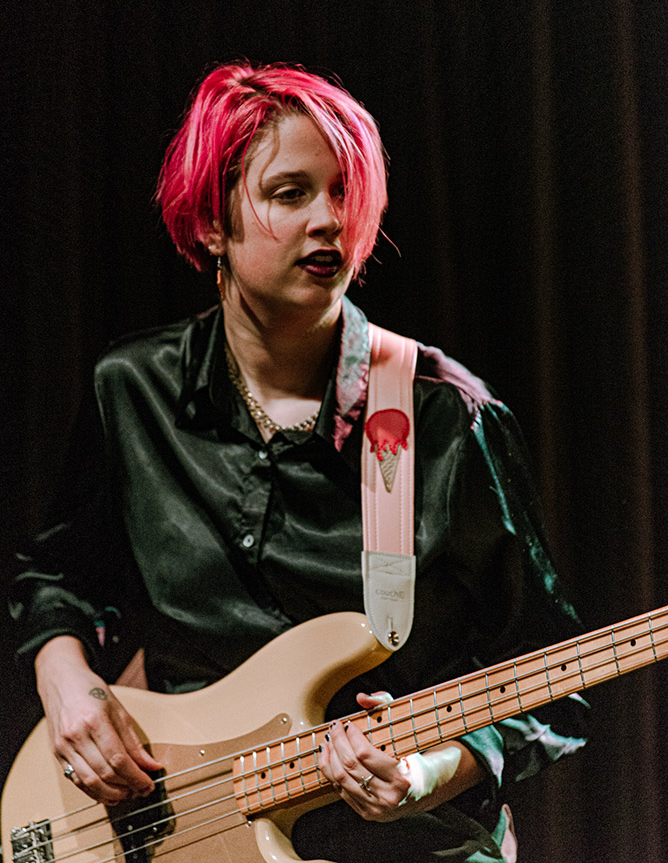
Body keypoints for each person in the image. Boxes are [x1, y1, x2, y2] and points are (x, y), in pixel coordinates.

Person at [11, 61, 587, 862]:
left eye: (345, 193)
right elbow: (58, 577)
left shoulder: (445, 415)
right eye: (291, 194)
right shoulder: (131, 389)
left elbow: (552, 680)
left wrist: (431, 770)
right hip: (181, 836)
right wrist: (66, 679)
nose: (330, 221)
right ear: (213, 223)